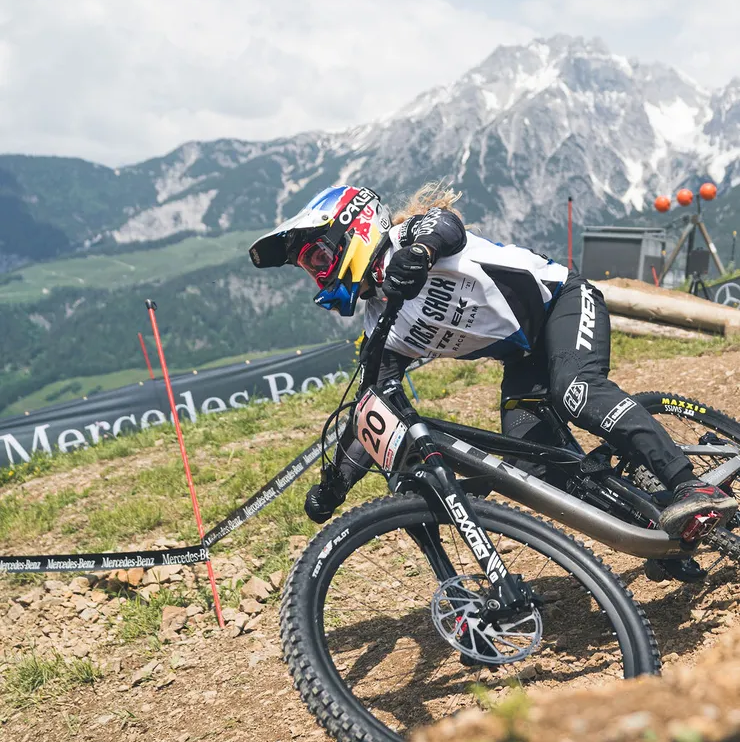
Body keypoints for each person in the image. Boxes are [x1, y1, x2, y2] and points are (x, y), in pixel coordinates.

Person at [249, 182, 737, 582]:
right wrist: (335, 485)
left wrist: (418, 251)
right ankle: (656, 527)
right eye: (308, 270)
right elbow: (372, 412)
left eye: (316, 259)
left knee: (577, 390)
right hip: (521, 356)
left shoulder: (405, 240)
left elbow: (445, 224)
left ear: (351, 228)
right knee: (532, 460)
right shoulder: (384, 321)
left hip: (562, 303)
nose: (318, 276)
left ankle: (691, 485)